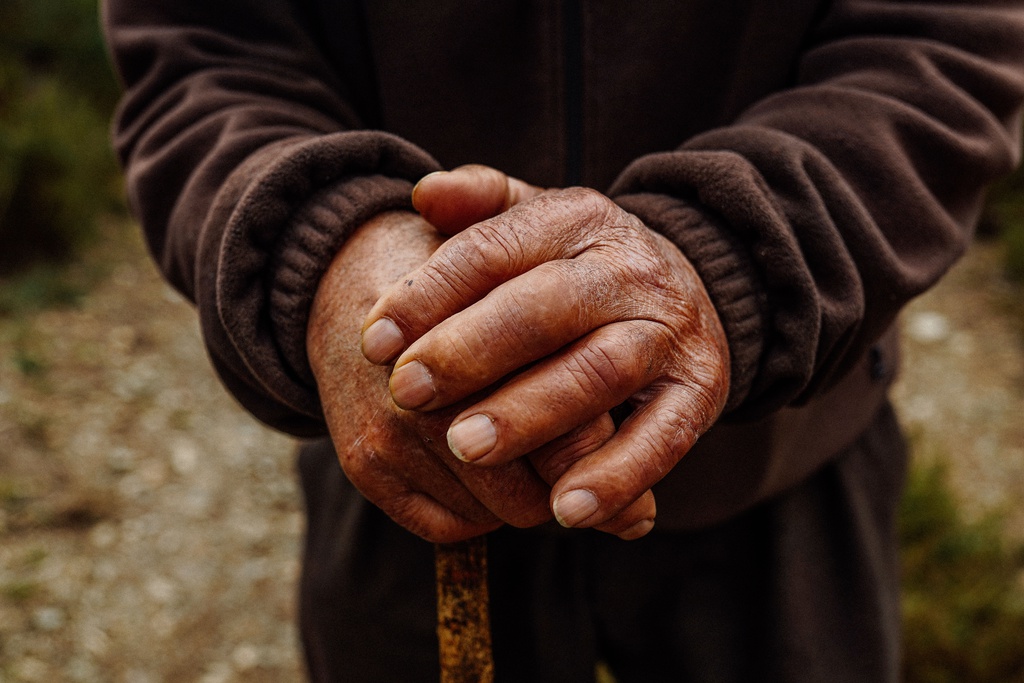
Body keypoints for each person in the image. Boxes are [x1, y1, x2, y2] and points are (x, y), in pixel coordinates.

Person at [102, 2, 1024, 681]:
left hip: (779, 461)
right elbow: (203, 49)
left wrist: (725, 254)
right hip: (407, 458)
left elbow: (940, 41)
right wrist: (325, 245)